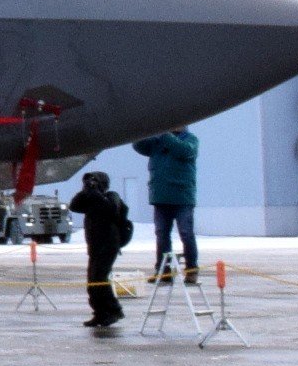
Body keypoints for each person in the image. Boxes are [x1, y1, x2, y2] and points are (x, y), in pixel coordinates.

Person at [66, 170, 133, 329]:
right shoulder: (90, 199)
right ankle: (100, 312)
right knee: (92, 281)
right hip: (95, 246)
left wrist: (95, 192)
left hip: (109, 245)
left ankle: (113, 310)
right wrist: (86, 190)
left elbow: (110, 210)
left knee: (99, 279)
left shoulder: (112, 197)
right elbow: (74, 206)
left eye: (94, 181)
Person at [132, 127, 199, 283]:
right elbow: (139, 145)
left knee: (186, 233)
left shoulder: (190, 140)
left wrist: (164, 133)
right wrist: (140, 130)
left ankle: (191, 270)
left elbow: (184, 151)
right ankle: (164, 270)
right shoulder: (157, 142)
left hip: (182, 198)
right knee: (162, 235)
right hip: (161, 198)